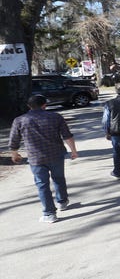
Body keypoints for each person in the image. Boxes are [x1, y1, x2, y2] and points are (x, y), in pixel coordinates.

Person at [8, 94, 78, 223]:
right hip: (56, 154)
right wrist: (73, 151)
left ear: (29, 106)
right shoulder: (56, 117)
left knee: (42, 184)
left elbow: (14, 140)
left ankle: (49, 213)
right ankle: (62, 202)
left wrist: (15, 154)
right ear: (45, 105)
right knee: (59, 178)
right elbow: (67, 136)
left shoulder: (20, 120)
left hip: (36, 158)